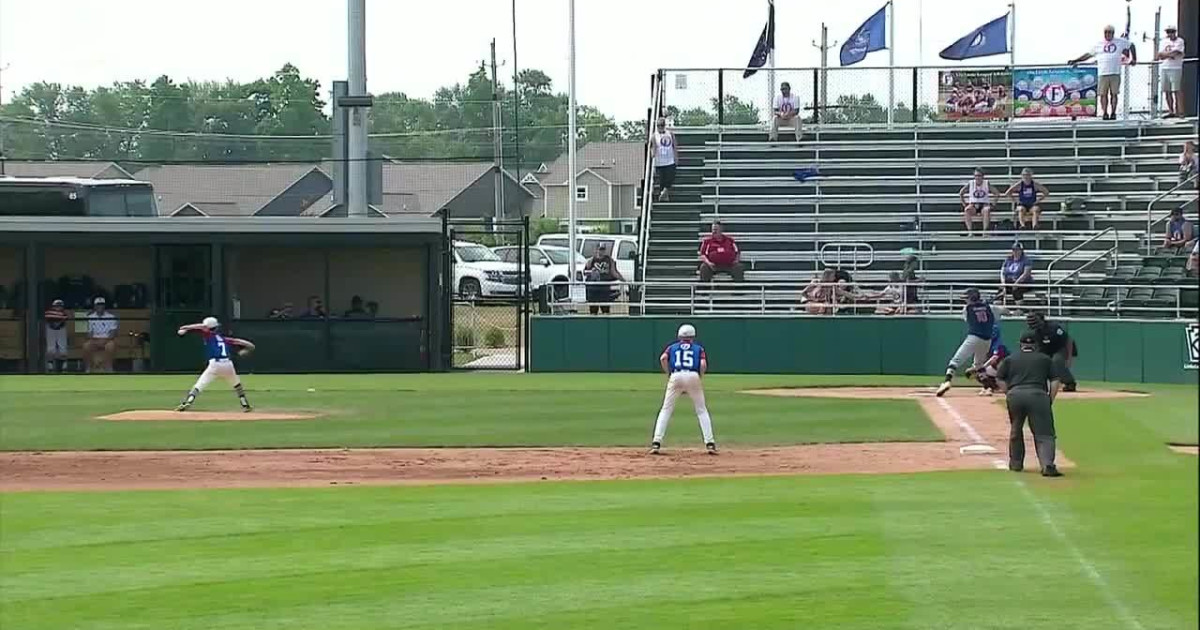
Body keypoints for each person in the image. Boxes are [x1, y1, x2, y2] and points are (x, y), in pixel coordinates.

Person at [996, 331, 1064, 477]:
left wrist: (1009, 392)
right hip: (1038, 395)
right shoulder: (1045, 359)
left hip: (1015, 395)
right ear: (1036, 345)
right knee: (1044, 433)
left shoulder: (1010, 358)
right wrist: (1049, 398)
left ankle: (1016, 463)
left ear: (1020, 344)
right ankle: (1047, 465)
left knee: (1016, 429)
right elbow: (1055, 381)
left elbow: (1000, 378)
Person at [649, 324, 717, 455]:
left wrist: (668, 373)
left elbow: (663, 358)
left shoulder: (672, 347)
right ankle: (710, 443)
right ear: (693, 336)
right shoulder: (698, 348)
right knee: (701, 410)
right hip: (693, 375)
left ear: (680, 336)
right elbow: (703, 364)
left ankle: (656, 442)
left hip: (676, 375)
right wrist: (698, 377)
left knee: (666, 409)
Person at [175, 316, 255, 412]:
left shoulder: (209, 335)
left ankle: (188, 402)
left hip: (215, 364)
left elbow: (201, 326)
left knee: (199, 385)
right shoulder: (223, 338)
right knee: (237, 385)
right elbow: (247, 344)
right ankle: (245, 404)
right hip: (228, 364)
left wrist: (185, 327)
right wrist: (247, 349)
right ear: (216, 327)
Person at [936, 288, 1000, 397]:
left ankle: (947, 381)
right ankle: (987, 387)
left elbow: (969, 319)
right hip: (987, 340)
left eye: (967, 298)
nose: (966, 301)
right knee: (979, 364)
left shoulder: (967, 309)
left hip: (974, 337)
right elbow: (998, 316)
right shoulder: (990, 307)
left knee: (955, 361)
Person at [1070, 25, 1135, 121]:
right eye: (1106, 32)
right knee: (1103, 94)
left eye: (1110, 32)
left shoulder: (1120, 41)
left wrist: (1133, 59)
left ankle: (1113, 112)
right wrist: (1076, 60)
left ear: (1113, 33)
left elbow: (1131, 45)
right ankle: (1105, 112)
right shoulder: (1099, 44)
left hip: (1115, 72)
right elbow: (1088, 54)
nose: (1108, 34)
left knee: (1114, 94)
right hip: (1103, 73)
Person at [1025, 312, 1078, 392]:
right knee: (1037, 361)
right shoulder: (1032, 331)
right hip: (1045, 348)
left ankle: (1069, 383)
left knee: (1057, 361)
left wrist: (1069, 357)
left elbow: (1068, 340)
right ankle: (1038, 383)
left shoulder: (1054, 328)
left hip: (1061, 347)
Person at [965, 323, 1008, 396]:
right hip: (995, 371)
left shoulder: (999, 345)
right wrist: (975, 367)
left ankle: (990, 388)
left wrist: (979, 368)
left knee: (981, 371)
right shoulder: (985, 343)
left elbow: (994, 359)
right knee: (979, 373)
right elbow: (980, 357)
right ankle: (991, 386)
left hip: (1005, 372)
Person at [583, 243, 624, 315]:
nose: (601, 251)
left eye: (603, 249)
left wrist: (623, 280)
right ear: (596, 250)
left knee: (605, 311)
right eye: (600, 249)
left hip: (604, 289)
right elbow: (585, 272)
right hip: (593, 290)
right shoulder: (591, 260)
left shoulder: (609, 260)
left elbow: (614, 272)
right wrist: (591, 272)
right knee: (593, 312)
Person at [1156, 26, 1185, 118]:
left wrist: (1167, 55)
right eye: (1168, 32)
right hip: (1165, 67)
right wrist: (1170, 55)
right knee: (1167, 90)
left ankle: (1180, 111)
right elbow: (1160, 55)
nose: (1170, 34)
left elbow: (1177, 52)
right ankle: (1171, 111)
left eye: (1172, 32)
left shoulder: (1180, 41)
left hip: (1176, 68)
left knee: (1176, 90)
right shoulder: (1164, 42)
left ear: (1175, 32)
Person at [82, 297, 118, 373]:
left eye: (102, 305)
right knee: (86, 346)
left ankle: (109, 368)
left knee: (111, 346)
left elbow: (112, 333)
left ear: (104, 306)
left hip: (107, 340)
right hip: (94, 340)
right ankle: (88, 368)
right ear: (95, 306)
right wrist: (96, 341)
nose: (100, 307)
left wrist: (104, 341)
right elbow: (89, 334)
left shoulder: (111, 317)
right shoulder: (90, 317)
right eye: (98, 305)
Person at [958, 168, 998, 236]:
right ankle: (970, 232)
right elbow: (961, 193)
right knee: (967, 210)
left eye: (979, 176)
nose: (977, 177)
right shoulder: (971, 183)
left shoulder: (986, 183)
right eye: (976, 176)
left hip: (984, 204)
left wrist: (993, 204)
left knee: (986, 210)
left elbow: (996, 193)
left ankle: (985, 232)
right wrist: (964, 204)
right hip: (973, 204)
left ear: (983, 176)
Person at [651, 117, 678, 202]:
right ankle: (663, 196)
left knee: (670, 177)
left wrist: (676, 156)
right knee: (662, 179)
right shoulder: (654, 136)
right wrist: (653, 156)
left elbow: (674, 146)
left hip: (670, 159)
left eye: (662, 125)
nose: (660, 127)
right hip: (660, 161)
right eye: (659, 125)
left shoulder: (670, 134)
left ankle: (665, 192)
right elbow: (654, 147)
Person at [44, 298, 70, 373]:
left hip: (61, 330)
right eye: (56, 306)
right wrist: (55, 322)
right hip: (51, 330)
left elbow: (64, 318)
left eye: (60, 306)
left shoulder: (64, 313)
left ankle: (64, 367)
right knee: (50, 348)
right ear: (53, 306)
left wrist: (58, 322)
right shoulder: (49, 312)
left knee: (63, 348)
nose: (58, 308)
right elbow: (47, 317)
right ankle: (50, 367)